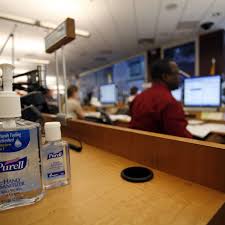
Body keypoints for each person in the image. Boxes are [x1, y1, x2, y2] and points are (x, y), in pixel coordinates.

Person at [129, 59, 192, 138]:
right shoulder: (170, 102)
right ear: (165, 76)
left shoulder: (138, 98)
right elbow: (183, 139)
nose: (178, 78)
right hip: (158, 148)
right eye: (176, 74)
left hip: (137, 146)